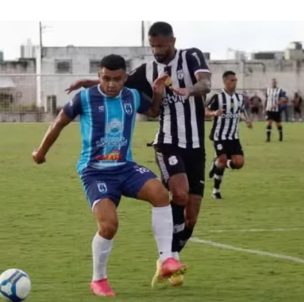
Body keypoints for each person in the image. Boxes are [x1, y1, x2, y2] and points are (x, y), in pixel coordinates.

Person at [65, 22, 211, 287]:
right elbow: (116, 82)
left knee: (191, 215)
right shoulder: (147, 70)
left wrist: (189, 90)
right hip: (167, 140)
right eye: (152, 46)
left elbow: (205, 83)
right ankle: (169, 258)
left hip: (196, 143)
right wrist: (87, 82)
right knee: (177, 193)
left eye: (161, 46)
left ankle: (170, 256)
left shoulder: (191, 56)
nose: (156, 51)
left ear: (172, 41)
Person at [32, 54, 186, 297]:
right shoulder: (84, 98)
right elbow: (59, 123)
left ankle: (166, 259)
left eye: (116, 79)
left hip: (125, 167)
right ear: (98, 77)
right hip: (95, 172)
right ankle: (98, 279)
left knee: (160, 193)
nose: (111, 84)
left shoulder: (132, 96)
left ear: (125, 77)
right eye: (106, 79)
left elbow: (154, 111)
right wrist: (40, 152)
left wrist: (157, 90)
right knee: (109, 226)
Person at [206, 71, 253, 200]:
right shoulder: (218, 97)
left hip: (233, 136)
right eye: (232, 80)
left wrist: (246, 120)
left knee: (239, 163)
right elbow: (206, 111)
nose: (235, 82)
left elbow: (241, 111)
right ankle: (216, 191)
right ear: (225, 81)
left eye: (235, 80)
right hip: (219, 136)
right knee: (222, 161)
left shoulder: (240, 97)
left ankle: (215, 162)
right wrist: (215, 113)